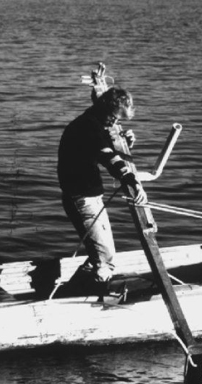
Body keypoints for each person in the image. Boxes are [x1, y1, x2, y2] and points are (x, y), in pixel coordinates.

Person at [57, 86, 147, 295]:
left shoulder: (94, 121)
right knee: (106, 259)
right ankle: (93, 295)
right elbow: (108, 157)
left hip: (88, 196)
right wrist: (131, 180)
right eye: (114, 119)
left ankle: (71, 291)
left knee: (100, 253)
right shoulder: (88, 128)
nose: (115, 124)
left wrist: (126, 144)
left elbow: (104, 145)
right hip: (82, 199)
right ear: (105, 110)